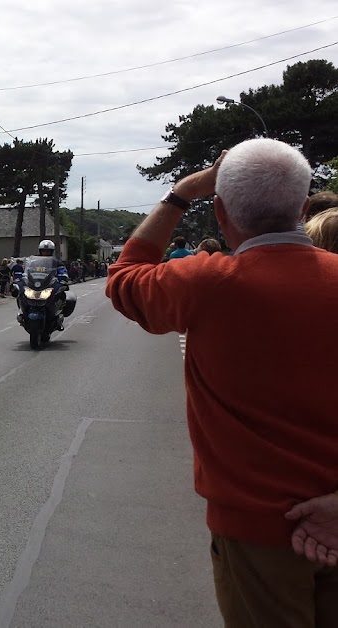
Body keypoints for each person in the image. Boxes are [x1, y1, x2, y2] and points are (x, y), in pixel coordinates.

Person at [106, 138, 338, 625]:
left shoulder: (205, 283)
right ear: (302, 207)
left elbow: (125, 276)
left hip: (259, 532)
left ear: (220, 210)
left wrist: (179, 193)